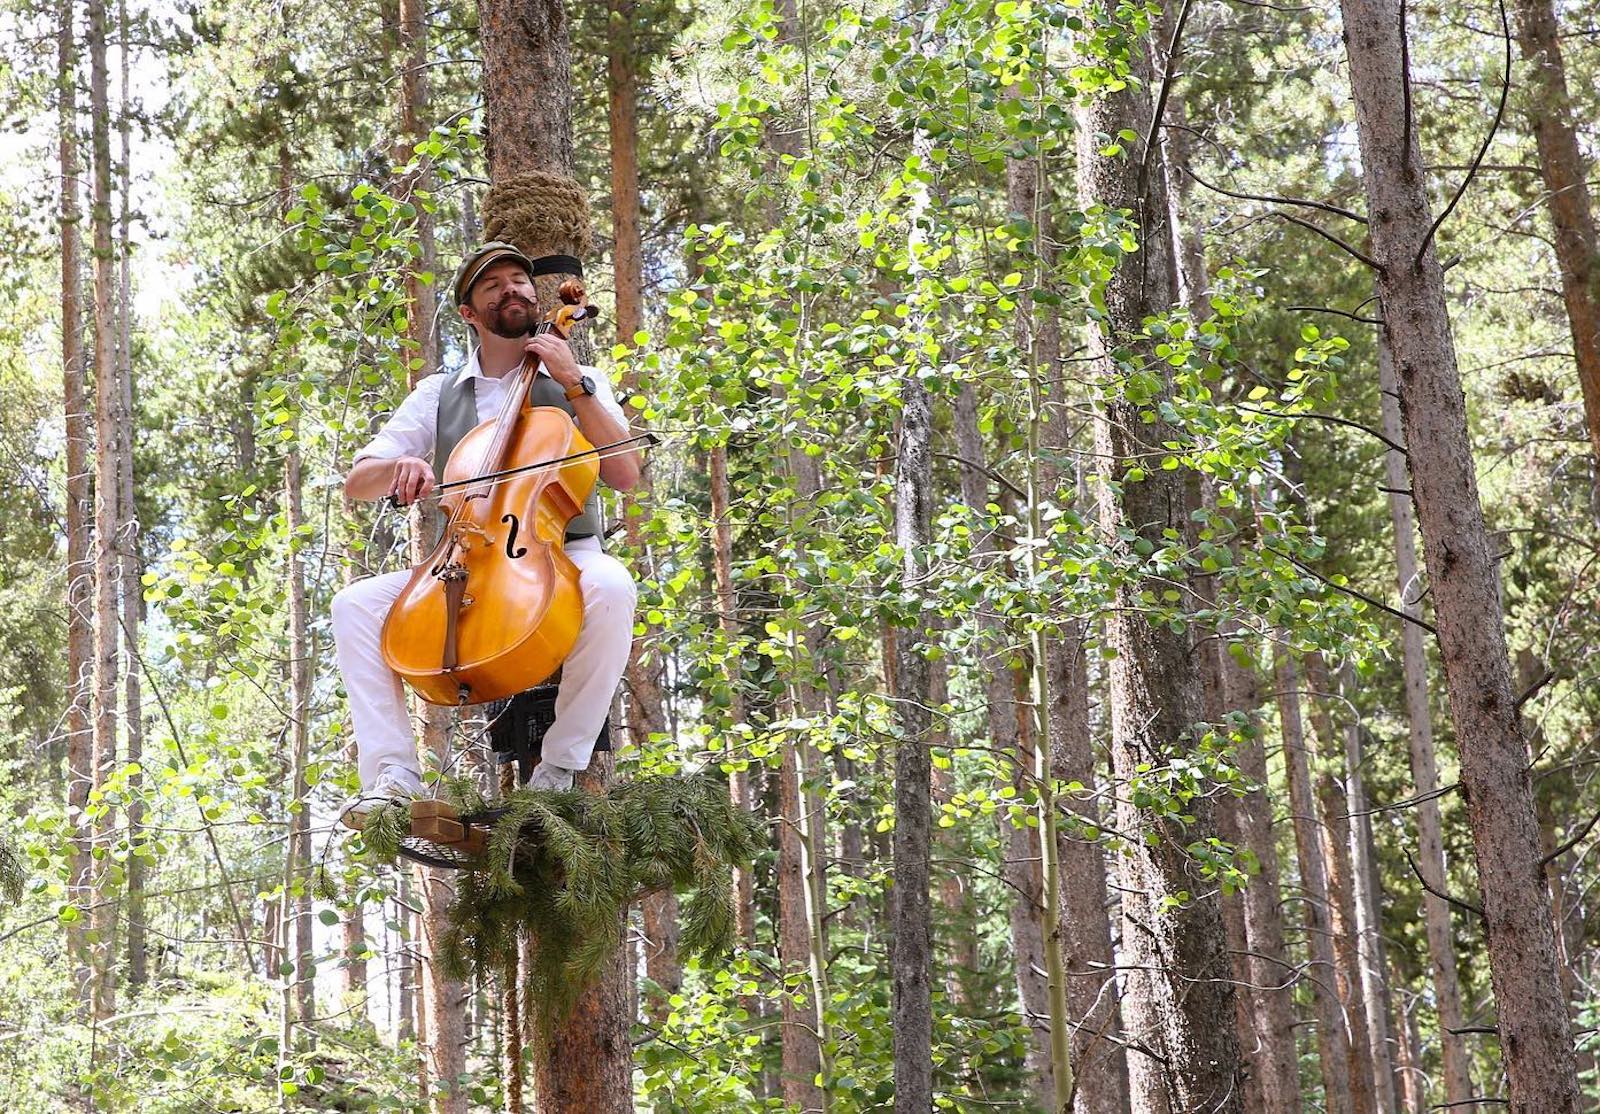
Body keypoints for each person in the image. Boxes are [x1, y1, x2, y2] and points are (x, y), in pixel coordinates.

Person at [333, 242, 641, 820]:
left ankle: (560, 766)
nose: (513, 290)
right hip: (468, 555)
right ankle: (394, 775)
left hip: (562, 551)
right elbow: (358, 481)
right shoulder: (439, 394)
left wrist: (575, 382)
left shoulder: (582, 378)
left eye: (520, 280)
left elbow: (624, 472)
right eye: (493, 285)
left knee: (614, 587)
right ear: (471, 314)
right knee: (355, 605)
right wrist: (401, 467)